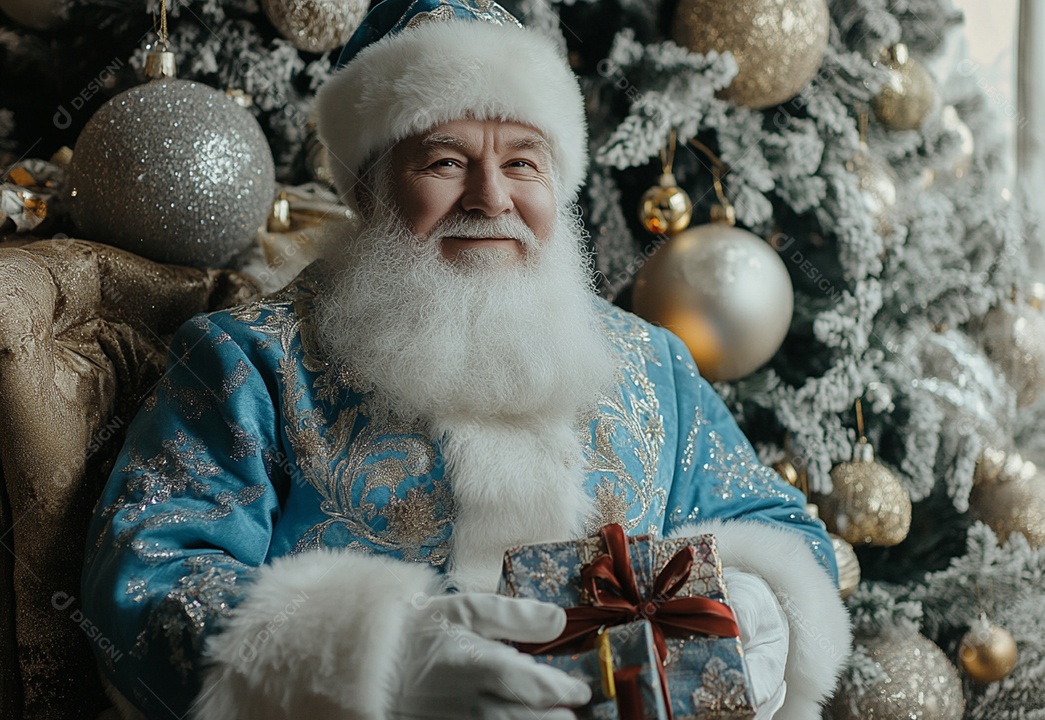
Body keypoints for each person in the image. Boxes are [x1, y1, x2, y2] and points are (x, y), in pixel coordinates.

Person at [82, 0, 851, 718]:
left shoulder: (653, 363)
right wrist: (377, 666)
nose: (491, 198)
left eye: (523, 163)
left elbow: (773, 523)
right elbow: (148, 578)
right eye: (445, 162)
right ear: (370, 189)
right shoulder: (245, 360)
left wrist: (762, 603)